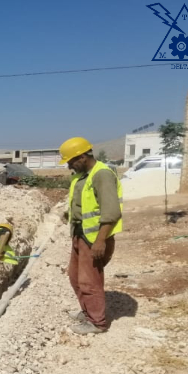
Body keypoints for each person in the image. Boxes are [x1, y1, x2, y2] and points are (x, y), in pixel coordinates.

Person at [59, 137, 123, 335]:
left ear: (82, 156)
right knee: (74, 277)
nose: (69, 165)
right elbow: (83, 204)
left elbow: (111, 212)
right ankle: (87, 311)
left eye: (71, 161)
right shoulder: (80, 175)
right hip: (80, 233)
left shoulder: (101, 174)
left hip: (94, 237)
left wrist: (100, 241)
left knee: (90, 280)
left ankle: (97, 322)